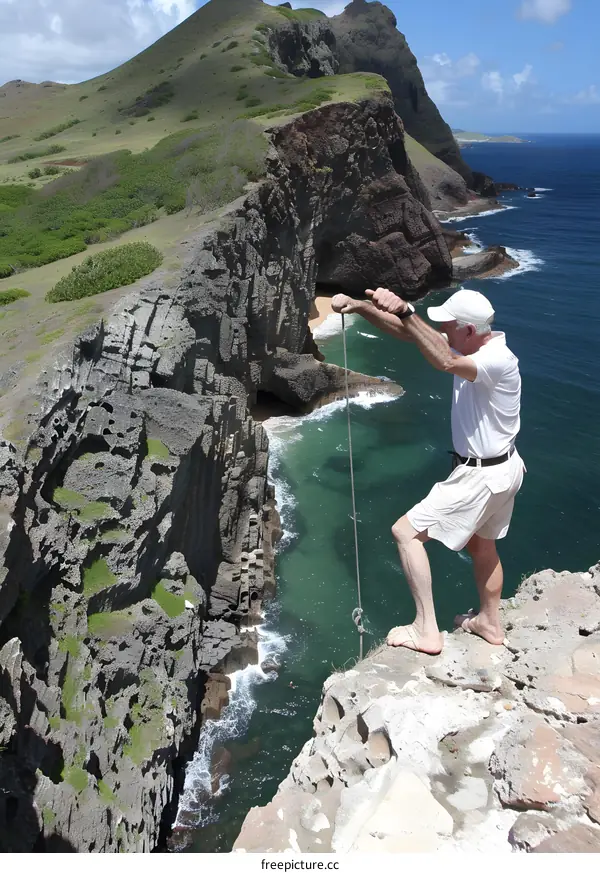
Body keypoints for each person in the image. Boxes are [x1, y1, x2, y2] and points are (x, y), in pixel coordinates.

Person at [331, 287, 525, 654]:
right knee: (482, 545)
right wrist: (360, 307)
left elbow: (444, 360)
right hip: (505, 468)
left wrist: (407, 310)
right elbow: (413, 334)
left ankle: (426, 630)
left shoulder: (494, 360)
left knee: (405, 533)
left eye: (449, 326)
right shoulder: (475, 346)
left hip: (481, 476)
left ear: (468, 330)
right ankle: (489, 622)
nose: (443, 332)